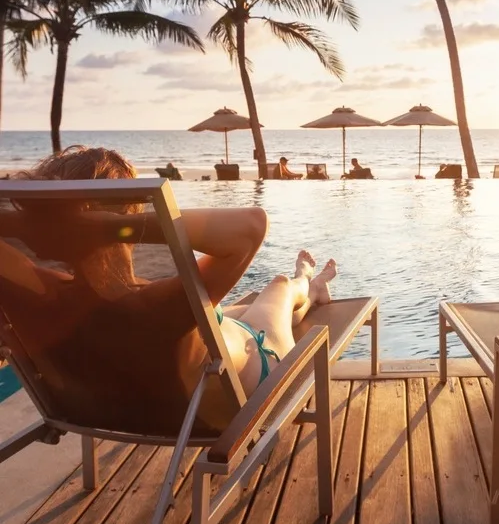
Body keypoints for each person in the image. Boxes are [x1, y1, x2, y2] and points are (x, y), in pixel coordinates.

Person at [0, 146, 338, 432]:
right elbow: (252, 224)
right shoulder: (158, 306)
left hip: (135, 401)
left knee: (230, 310)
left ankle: (312, 289)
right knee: (278, 287)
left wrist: (51, 225)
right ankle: (308, 278)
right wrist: (106, 227)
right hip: (257, 371)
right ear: (128, 213)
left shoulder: (46, 295)